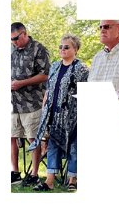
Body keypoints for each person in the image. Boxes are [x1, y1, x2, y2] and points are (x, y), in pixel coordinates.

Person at [34, 34, 87, 191]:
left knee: (73, 147)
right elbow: (48, 91)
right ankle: (49, 181)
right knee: (53, 145)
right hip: (53, 114)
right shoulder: (55, 66)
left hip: (73, 115)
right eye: (61, 47)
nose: (62, 49)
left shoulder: (81, 68)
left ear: (75, 49)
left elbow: (85, 92)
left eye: (66, 47)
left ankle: (72, 179)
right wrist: (44, 109)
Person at [9, 22, 50, 185]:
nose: (14, 42)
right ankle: (15, 173)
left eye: (16, 38)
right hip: (13, 103)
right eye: (11, 40)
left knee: (33, 139)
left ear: (24, 33)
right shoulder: (11, 50)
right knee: (11, 136)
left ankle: (34, 175)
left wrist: (22, 83)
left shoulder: (39, 49)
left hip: (33, 103)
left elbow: (45, 75)